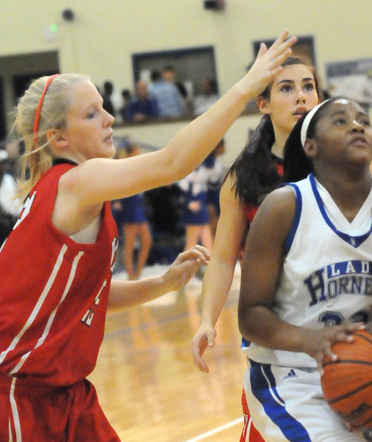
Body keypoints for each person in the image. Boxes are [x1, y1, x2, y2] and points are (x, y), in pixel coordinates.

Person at [0, 30, 296, 442]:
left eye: (104, 108)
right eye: (91, 115)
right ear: (58, 139)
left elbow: (90, 294)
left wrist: (162, 283)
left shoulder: (76, 192)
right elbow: (173, 163)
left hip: (67, 393)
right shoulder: (75, 182)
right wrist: (246, 86)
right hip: (16, 393)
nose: (110, 120)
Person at [238, 97, 372, 442]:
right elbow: (251, 315)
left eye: (363, 121)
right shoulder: (284, 207)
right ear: (310, 145)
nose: (357, 126)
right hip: (294, 374)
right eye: (341, 122)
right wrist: (310, 339)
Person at [191, 55, 321, 442]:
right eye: (287, 88)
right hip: (275, 340)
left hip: (341, 328)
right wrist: (205, 320)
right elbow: (224, 258)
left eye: (308, 86)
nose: (301, 96)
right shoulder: (242, 176)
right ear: (262, 104)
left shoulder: (348, 164)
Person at [112, 143, 153, 280]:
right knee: (129, 243)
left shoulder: (137, 166)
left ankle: (138, 273)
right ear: (132, 152)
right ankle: (131, 276)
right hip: (129, 205)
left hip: (138, 205)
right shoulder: (124, 166)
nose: (140, 153)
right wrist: (116, 201)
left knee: (147, 241)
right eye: (137, 151)